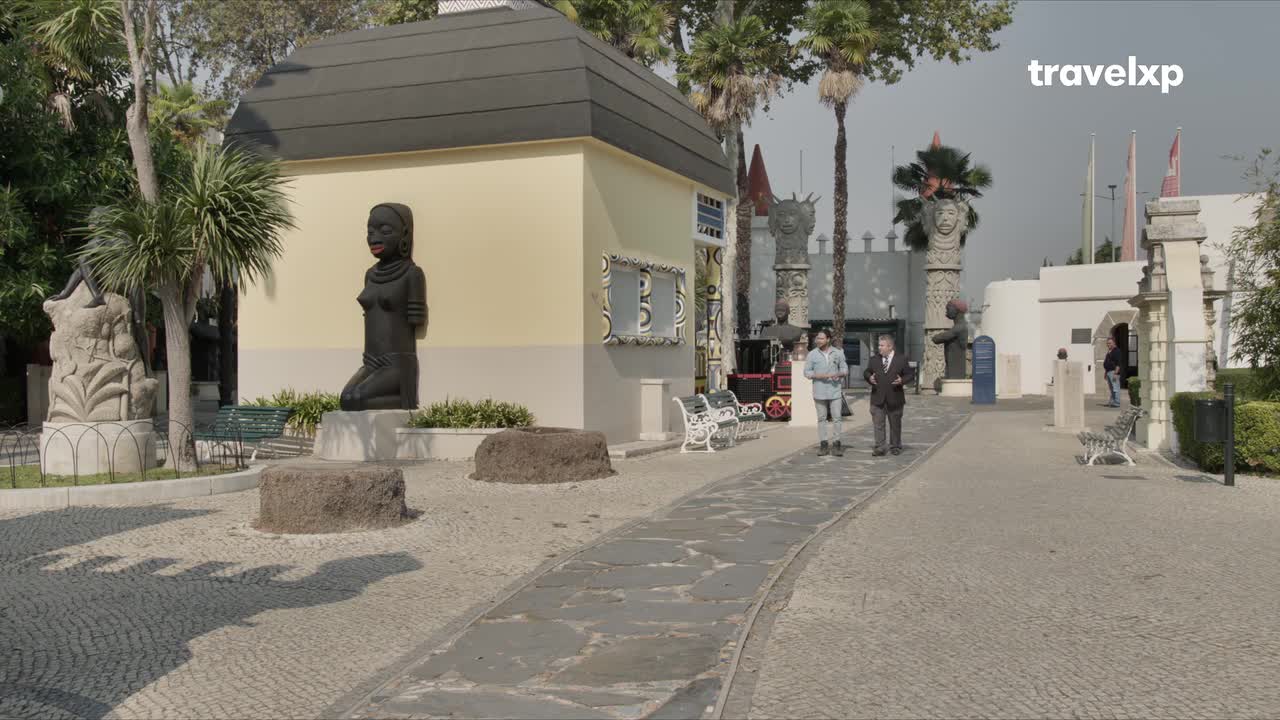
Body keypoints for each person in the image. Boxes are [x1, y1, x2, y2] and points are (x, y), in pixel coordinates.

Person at [863, 334, 914, 456]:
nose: (879, 348)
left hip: (895, 397)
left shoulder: (901, 359)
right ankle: (880, 447)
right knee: (878, 424)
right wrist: (869, 377)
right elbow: (867, 371)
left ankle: (895, 446)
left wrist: (902, 380)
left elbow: (910, 374)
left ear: (890, 346)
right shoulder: (874, 359)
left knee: (895, 424)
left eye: (882, 345)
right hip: (877, 398)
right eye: (879, 345)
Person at [803, 328, 847, 456]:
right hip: (819, 391)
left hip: (835, 390)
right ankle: (823, 445)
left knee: (837, 418)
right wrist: (818, 375)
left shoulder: (838, 353)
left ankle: (837, 444)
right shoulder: (812, 354)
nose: (818, 340)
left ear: (828, 339)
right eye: (818, 338)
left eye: (821, 338)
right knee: (821, 418)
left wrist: (839, 374)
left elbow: (844, 369)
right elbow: (806, 372)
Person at [1103, 336, 1123, 407]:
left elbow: (1118, 363)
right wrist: (1106, 373)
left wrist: (1115, 373)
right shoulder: (1109, 351)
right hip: (1109, 372)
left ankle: (1117, 403)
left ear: (1114, 343)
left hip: (1114, 372)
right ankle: (1112, 402)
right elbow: (1107, 362)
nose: (1108, 344)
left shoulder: (1117, 351)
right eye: (1107, 343)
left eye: (1110, 343)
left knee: (1115, 388)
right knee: (1111, 388)